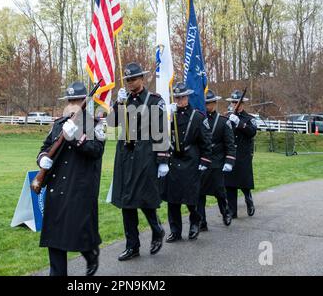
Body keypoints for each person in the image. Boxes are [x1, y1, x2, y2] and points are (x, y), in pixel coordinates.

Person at [36, 81, 105, 276]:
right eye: (70, 100)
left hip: (80, 187)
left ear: (85, 101)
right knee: (55, 238)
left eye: (77, 100)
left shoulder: (94, 124)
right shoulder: (59, 124)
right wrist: (43, 161)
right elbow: (44, 148)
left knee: (79, 232)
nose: (72, 103)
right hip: (57, 187)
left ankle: (90, 254)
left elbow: (96, 151)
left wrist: (75, 138)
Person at [107, 62, 170, 261]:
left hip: (145, 154)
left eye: (133, 79)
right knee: (127, 201)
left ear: (142, 79)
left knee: (144, 198)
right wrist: (118, 103)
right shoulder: (124, 100)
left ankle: (156, 228)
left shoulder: (153, 100)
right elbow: (111, 123)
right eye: (127, 80)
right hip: (125, 155)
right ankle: (132, 245)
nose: (130, 83)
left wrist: (162, 159)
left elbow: (161, 130)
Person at [162, 83, 212, 243]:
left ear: (187, 97)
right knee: (173, 199)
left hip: (191, 160)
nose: (179, 100)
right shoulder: (170, 116)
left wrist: (204, 160)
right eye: (176, 97)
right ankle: (175, 231)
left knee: (191, 199)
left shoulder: (197, 116)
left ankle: (194, 224)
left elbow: (206, 141)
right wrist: (166, 117)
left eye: (182, 97)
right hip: (173, 160)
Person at [198, 90, 236, 231]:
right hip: (203, 161)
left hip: (217, 161)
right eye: (206, 103)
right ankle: (202, 220)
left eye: (210, 103)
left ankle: (225, 212)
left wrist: (229, 161)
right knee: (200, 193)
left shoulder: (223, 122)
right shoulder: (199, 119)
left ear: (215, 103)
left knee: (219, 191)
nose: (208, 105)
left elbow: (230, 145)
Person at [224, 90, 257, 218]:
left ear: (243, 104)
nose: (236, 104)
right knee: (230, 185)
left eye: (238, 102)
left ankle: (248, 199)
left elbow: (252, 132)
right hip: (230, 154)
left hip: (243, 154)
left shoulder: (249, 119)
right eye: (233, 102)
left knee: (244, 183)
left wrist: (240, 123)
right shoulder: (227, 117)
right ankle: (232, 211)